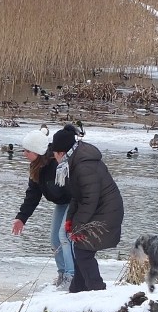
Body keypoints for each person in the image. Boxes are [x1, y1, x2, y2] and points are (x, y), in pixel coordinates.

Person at [50, 123, 124, 293]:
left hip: (106, 212)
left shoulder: (84, 165)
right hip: (98, 210)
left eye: (54, 153)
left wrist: (79, 226)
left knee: (83, 252)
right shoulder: (74, 160)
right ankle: (77, 291)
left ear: (61, 152)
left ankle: (97, 290)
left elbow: (90, 199)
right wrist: (70, 220)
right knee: (79, 250)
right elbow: (77, 196)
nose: (53, 157)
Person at [12, 129, 75, 291]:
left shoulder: (57, 162)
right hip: (61, 202)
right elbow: (33, 194)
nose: (24, 154)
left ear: (38, 151)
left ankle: (71, 276)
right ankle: (62, 273)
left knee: (64, 236)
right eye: (24, 150)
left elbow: (75, 186)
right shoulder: (36, 167)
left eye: (28, 151)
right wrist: (21, 217)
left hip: (75, 201)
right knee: (54, 239)